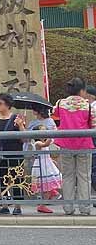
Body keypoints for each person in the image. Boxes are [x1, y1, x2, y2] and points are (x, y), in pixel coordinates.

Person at [52, 78, 95, 216]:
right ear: (82, 90)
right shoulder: (88, 105)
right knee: (84, 176)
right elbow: (93, 125)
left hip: (65, 144)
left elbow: (56, 121)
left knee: (67, 176)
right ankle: (85, 208)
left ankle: (68, 208)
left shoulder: (60, 103)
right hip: (84, 143)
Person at [0, 92, 25, 215]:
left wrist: (20, 126)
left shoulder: (15, 118)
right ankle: (4, 204)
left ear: (8, 105)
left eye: (1, 103)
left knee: (15, 179)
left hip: (15, 152)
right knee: (1, 179)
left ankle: (18, 206)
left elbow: (24, 139)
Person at [27, 107, 60, 214]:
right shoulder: (37, 143)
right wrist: (51, 136)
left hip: (46, 163)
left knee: (50, 182)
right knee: (46, 184)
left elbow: (46, 150)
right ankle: (43, 204)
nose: (44, 133)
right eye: (42, 132)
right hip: (42, 165)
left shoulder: (42, 141)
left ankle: (49, 195)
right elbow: (45, 144)